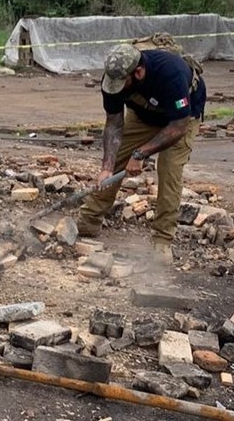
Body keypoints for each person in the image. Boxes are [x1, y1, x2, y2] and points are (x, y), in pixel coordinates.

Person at [77, 42, 207, 265]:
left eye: (122, 83)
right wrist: (107, 167)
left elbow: (177, 127)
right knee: (116, 158)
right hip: (143, 115)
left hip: (180, 119)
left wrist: (140, 154)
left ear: (138, 72)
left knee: (169, 170)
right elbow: (114, 124)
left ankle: (162, 240)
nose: (116, 88)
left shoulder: (171, 74)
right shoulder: (112, 81)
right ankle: (89, 219)